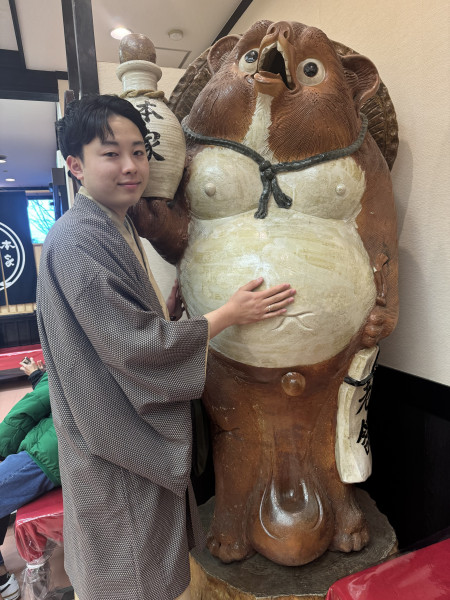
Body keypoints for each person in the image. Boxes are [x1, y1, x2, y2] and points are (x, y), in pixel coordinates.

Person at [36, 94, 296, 600]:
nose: (131, 166)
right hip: (112, 440)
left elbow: (116, 323)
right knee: (132, 572)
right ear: (75, 165)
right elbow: (132, 345)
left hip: (110, 429)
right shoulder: (77, 239)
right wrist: (228, 315)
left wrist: (167, 311)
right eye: (111, 154)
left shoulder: (112, 223)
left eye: (139, 151)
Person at [0, 357, 60, 600]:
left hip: (46, 454)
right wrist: (38, 376)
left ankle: (3, 580)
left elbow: (26, 411)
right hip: (51, 446)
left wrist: (1, 447)